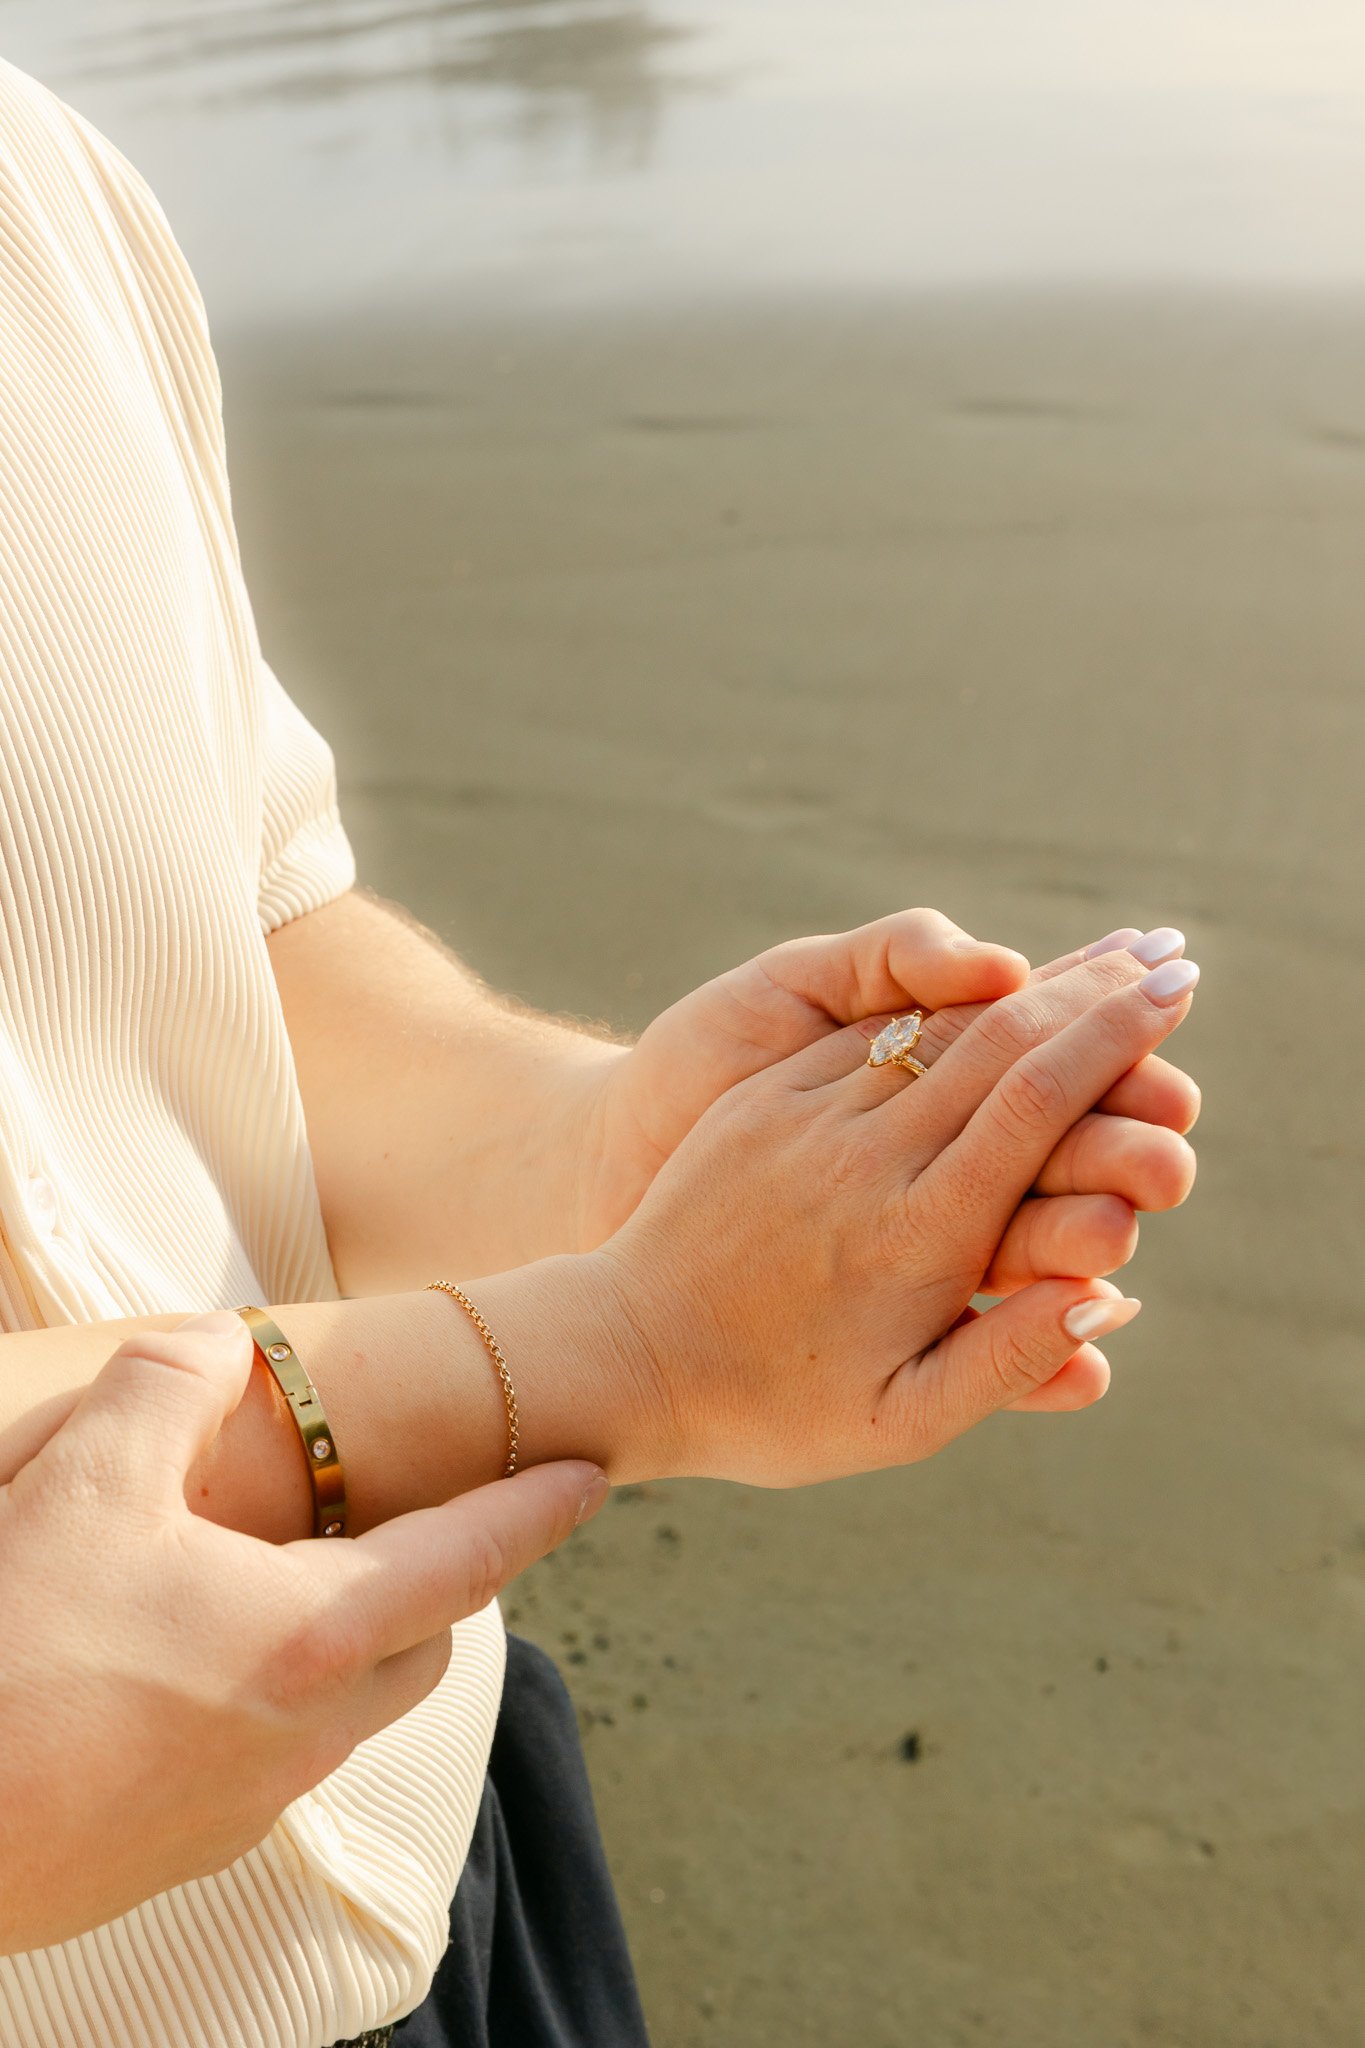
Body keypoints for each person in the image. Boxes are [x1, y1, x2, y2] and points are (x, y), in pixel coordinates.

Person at [0, 52, 1200, 2048]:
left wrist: (595, 1152)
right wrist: (617, 1347)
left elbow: (230, 933)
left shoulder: (31, 186)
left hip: (432, 1822)